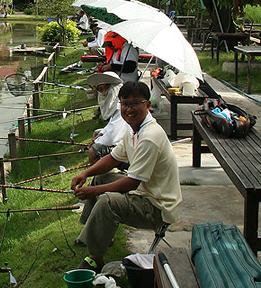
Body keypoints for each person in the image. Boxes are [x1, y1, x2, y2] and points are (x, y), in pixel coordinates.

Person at [70, 80, 182, 271]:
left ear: (147, 105)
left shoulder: (149, 137)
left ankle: (95, 258)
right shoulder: (134, 130)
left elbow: (131, 183)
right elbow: (113, 159)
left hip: (157, 207)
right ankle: (90, 234)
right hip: (144, 192)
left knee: (108, 201)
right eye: (125, 104)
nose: (129, 109)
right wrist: (85, 173)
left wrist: (93, 191)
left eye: (135, 103)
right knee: (100, 178)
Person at [86, 71, 126, 163]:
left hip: (130, 149)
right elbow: (111, 126)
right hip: (122, 141)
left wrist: (96, 142)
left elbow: (111, 138)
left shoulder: (121, 108)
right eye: (100, 89)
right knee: (97, 133)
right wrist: (99, 136)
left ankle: (99, 175)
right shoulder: (116, 108)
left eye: (106, 88)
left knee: (94, 150)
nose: (103, 93)